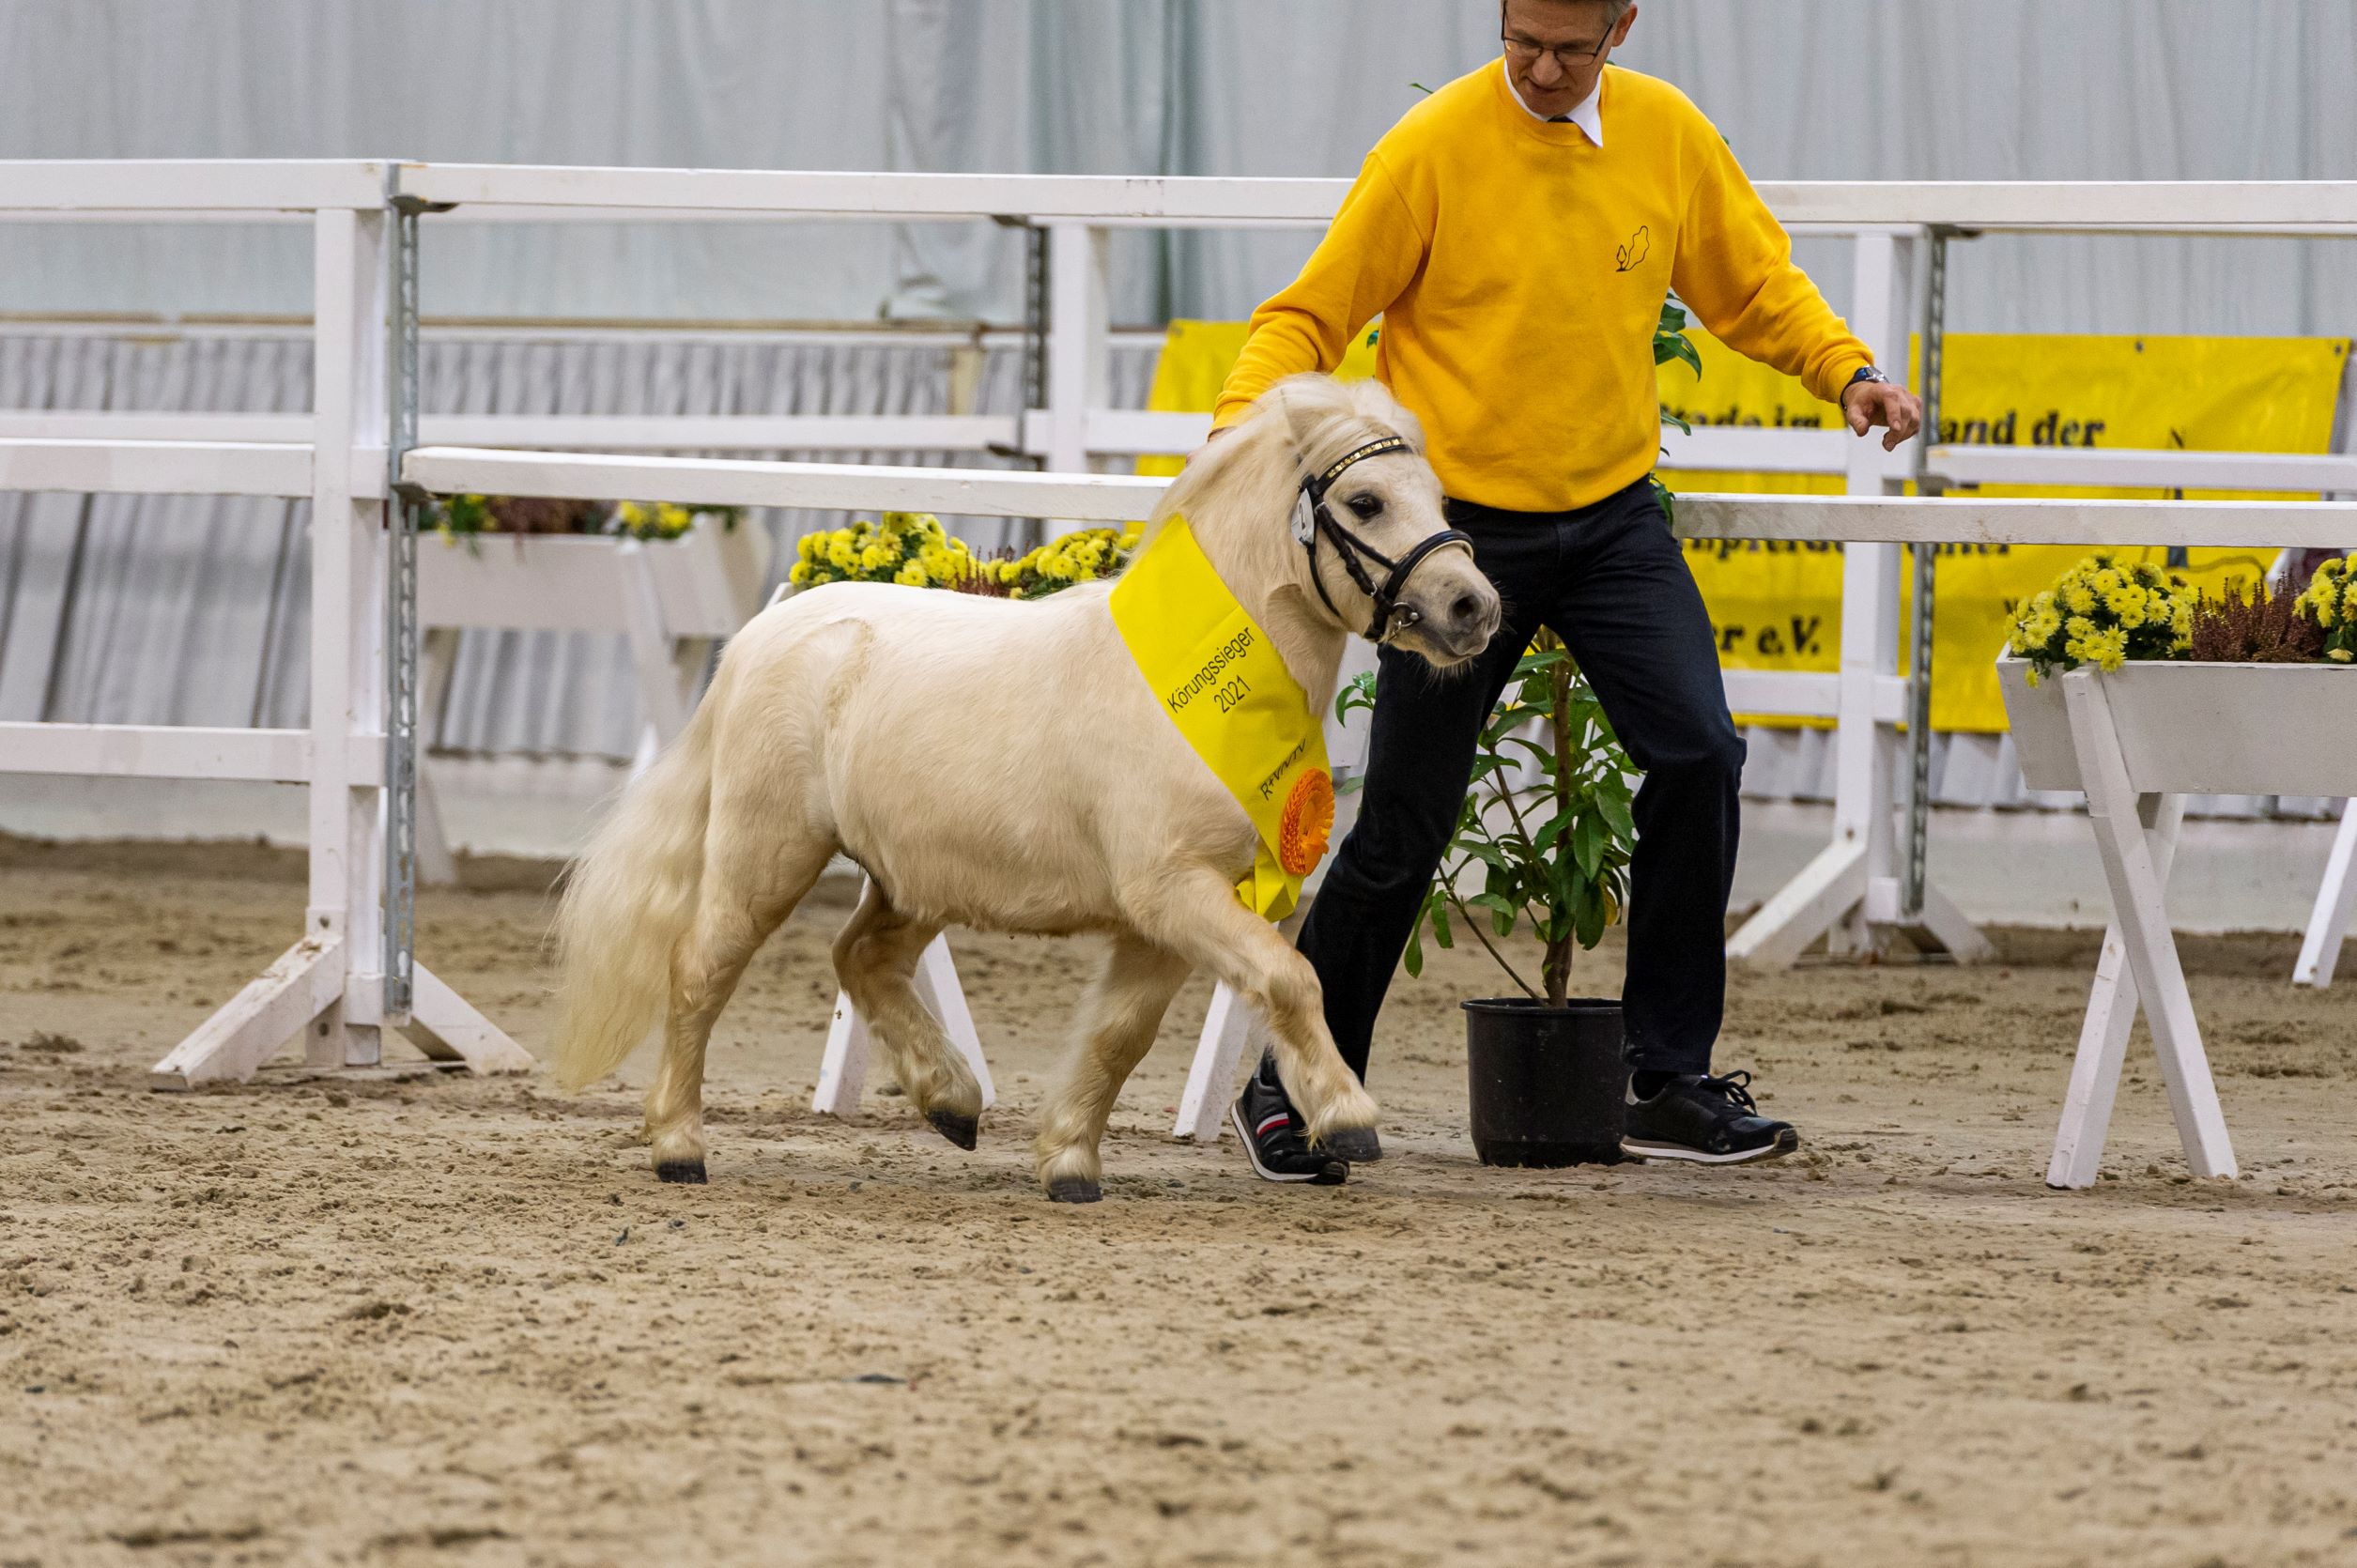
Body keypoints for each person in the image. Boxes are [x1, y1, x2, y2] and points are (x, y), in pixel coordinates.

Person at [1207, 0, 1923, 1184]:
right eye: (1518, 41)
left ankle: (1663, 1078)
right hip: (1456, 535)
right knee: (1403, 824)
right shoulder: (1430, 147)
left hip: (1609, 518)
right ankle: (1290, 1083)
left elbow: (1754, 285)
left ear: (1622, 27)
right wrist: (1241, 430)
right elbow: (1305, 314)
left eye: (1568, 48)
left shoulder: (1667, 135)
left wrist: (1843, 369)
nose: (1540, 68)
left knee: (1699, 752)